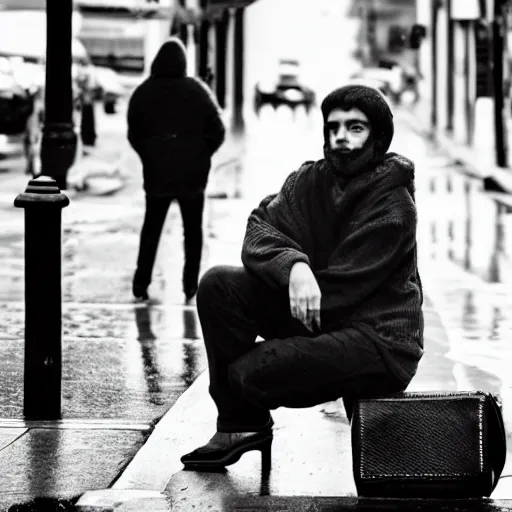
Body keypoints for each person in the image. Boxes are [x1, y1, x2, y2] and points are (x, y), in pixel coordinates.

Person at [180, 84, 424, 470]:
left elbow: (342, 293)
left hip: (378, 341)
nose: (341, 136)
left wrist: (299, 290)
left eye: (355, 128)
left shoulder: (394, 207)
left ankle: (259, 388)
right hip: (320, 316)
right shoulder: (311, 181)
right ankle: (240, 425)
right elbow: (260, 227)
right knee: (217, 286)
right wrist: (294, 266)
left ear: (378, 137)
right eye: (334, 127)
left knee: (251, 373)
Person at [127, 37, 225, 304]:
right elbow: (218, 131)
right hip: (192, 177)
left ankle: (140, 284)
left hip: (157, 175)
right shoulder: (198, 91)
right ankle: (189, 286)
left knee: (151, 230)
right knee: (192, 232)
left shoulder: (143, 92)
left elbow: (133, 131)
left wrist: (150, 155)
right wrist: (200, 155)